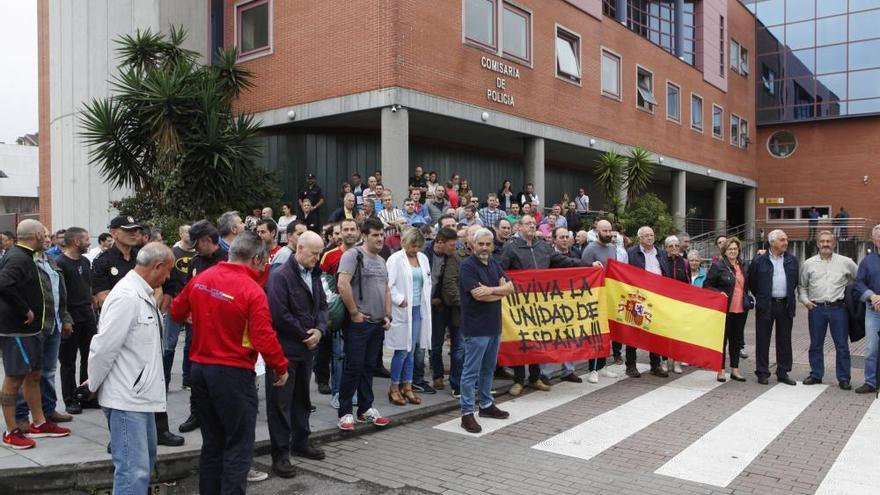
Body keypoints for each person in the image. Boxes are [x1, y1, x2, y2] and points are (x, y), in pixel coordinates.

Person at [170, 233, 289, 493]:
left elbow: (177, 311)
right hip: (233, 373)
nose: (263, 268)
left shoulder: (202, 278)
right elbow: (263, 337)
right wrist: (280, 366)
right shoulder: (252, 291)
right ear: (256, 259)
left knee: (212, 442)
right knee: (238, 444)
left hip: (200, 370)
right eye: (263, 263)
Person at [87, 243, 175, 491]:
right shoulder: (126, 296)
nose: (168, 277)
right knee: (132, 471)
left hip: (138, 397)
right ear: (156, 266)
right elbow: (103, 347)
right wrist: (92, 385)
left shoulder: (141, 293)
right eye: (167, 271)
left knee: (142, 466)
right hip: (126, 399)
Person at [0, 220, 71, 449]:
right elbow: (3, 283)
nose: (47, 238)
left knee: (34, 375)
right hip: (18, 331)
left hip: (34, 330)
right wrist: (25, 309)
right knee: (14, 380)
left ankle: (39, 423)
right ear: (36, 235)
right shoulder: (18, 257)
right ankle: (11, 431)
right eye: (44, 234)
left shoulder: (28, 256)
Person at [265, 231, 327, 478]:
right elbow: (279, 314)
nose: (317, 258)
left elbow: (322, 305)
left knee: (302, 397)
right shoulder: (281, 276)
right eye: (314, 253)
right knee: (280, 403)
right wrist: (307, 334)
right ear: (300, 249)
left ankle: (301, 441)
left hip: (307, 349)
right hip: (286, 349)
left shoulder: (313, 273)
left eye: (319, 253)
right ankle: (280, 455)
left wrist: (320, 331)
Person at [501, 215, 582, 395]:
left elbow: (564, 261)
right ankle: (519, 380)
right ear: (519, 227)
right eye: (527, 223)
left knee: (538, 340)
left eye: (533, 223)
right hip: (519, 304)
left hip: (540, 305)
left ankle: (535, 377)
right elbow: (501, 270)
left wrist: (587, 265)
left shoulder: (543, 247)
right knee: (521, 341)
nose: (531, 225)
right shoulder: (511, 248)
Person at [335, 218, 392, 430]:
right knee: (354, 367)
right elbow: (343, 284)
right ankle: (345, 412)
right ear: (365, 236)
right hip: (359, 323)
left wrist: (388, 315)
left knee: (369, 367)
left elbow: (386, 289)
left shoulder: (382, 260)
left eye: (381, 235)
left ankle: (365, 409)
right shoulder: (353, 255)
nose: (380, 239)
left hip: (377, 323)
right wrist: (354, 313)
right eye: (375, 235)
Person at [458, 228, 514, 433]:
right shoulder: (467, 266)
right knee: (470, 371)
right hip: (476, 327)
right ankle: (466, 413)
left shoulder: (494, 263)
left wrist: (491, 290)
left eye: (488, 244)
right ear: (472, 244)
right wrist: (501, 292)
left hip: (494, 326)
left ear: (492, 246)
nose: (484, 248)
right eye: (480, 244)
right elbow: (477, 295)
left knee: (488, 368)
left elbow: (511, 288)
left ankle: (486, 404)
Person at [177, 220, 229, 434]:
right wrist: (187, 312)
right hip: (196, 328)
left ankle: (219, 413)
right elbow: (189, 289)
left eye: (196, 244)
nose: (194, 248)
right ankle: (196, 412)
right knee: (195, 372)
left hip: (220, 329)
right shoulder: (195, 261)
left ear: (208, 241)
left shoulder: (227, 261)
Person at [798, 230, 858, 389]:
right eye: (822, 241)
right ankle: (816, 374)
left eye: (829, 241)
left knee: (842, 345)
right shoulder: (808, 263)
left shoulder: (846, 262)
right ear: (817, 244)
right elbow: (802, 286)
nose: (825, 244)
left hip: (839, 309)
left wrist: (851, 298)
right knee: (816, 344)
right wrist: (805, 301)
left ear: (834, 243)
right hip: (816, 309)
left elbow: (858, 280)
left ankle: (844, 378)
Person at [386, 228, 432, 406]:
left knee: (412, 351)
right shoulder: (395, 259)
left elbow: (426, 282)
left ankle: (408, 386)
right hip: (403, 309)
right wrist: (399, 299)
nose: (415, 250)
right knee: (402, 350)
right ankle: (394, 387)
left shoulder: (423, 258)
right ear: (404, 242)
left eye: (419, 246)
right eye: (413, 245)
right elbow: (388, 284)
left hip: (418, 309)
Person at [748, 229, 799, 385]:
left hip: (785, 304)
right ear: (772, 242)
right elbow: (752, 283)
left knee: (784, 340)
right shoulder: (759, 260)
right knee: (763, 340)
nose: (786, 242)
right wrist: (763, 297)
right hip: (766, 305)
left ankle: (783, 372)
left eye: (786, 239)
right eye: (782, 240)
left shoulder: (792, 260)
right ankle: (762, 372)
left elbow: (795, 281)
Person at [56, 227, 97, 415]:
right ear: (77, 242)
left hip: (87, 316)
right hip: (70, 318)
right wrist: (65, 319)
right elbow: (60, 295)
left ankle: (85, 395)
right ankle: (70, 399)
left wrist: (92, 305)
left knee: (89, 358)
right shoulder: (60, 263)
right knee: (68, 360)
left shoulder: (85, 262)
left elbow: (88, 287)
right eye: (87, 239)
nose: (90, 242)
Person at [579, 220, 621, 383]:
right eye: (605, 231)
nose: (608, 234)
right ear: (597, 231)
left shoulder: (612, 248)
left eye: (610, 231)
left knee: (606, 332)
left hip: (609, 295)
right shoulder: (590, 249)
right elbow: (583, 270)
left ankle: (602, 366)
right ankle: (592, 369)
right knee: (595, 332)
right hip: (594, 297)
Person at [704, 238, 750, 383]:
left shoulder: (742, 265)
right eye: (730, 249)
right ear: (724, 251)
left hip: (741, 309)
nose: (733, 251)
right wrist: (719, 293)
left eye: (735, 249)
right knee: (722, 341)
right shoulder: (718, 266)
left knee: (736, 341)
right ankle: (721, 370)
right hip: (724, 309)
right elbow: (707, 285)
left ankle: (735, 370)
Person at [625, 226, 667, 378]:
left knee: (655, 332)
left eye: (652, 235)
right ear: (640, 238)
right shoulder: (631, 253)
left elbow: (666, 273)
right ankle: (630, 365)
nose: (650, 237)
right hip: (637, 297)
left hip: (657, 298)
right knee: (634, 331)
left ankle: (655, 365)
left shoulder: (661, 253)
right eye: (646, 235)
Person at [161, 224, 195, 396]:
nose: (190, 234)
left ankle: (187, 379)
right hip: (176, 301)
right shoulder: (173, 252)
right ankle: (164, 381)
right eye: (187, 231)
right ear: (180, 233)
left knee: (190, 342)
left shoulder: (197, 253)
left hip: (192, 304)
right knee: (169, 344)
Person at [855, 224, 880, 394]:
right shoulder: (867, 261)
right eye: (878, 236)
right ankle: (870, 382)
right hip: (873, 310)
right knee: (872, 349)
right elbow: (858, 283)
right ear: (873, 240)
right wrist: (872, 296)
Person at [662, 235, 689, 375]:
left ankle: (677, 361)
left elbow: (688, 283)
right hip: (665, 304)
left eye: (676, 246)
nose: (674, 248)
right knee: (665, 334)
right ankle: (665, 361)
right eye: (671, 246)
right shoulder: (661, 261)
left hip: (680, 304)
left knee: (678, 333)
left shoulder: (684, 262)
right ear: (666, 248)